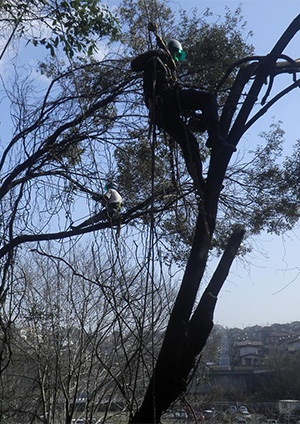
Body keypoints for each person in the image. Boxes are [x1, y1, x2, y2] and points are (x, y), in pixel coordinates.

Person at [131, 37, 233, 192]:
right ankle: (215, 138)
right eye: (177, 55)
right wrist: (158, 53)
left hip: (163, 113)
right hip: (166, 100)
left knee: (189, 142)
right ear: (171, 50)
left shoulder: (168, 70)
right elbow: (134, 65)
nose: (177, 60)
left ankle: (200, 184)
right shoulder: (159, 56)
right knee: (208, 99)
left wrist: (194, 115)